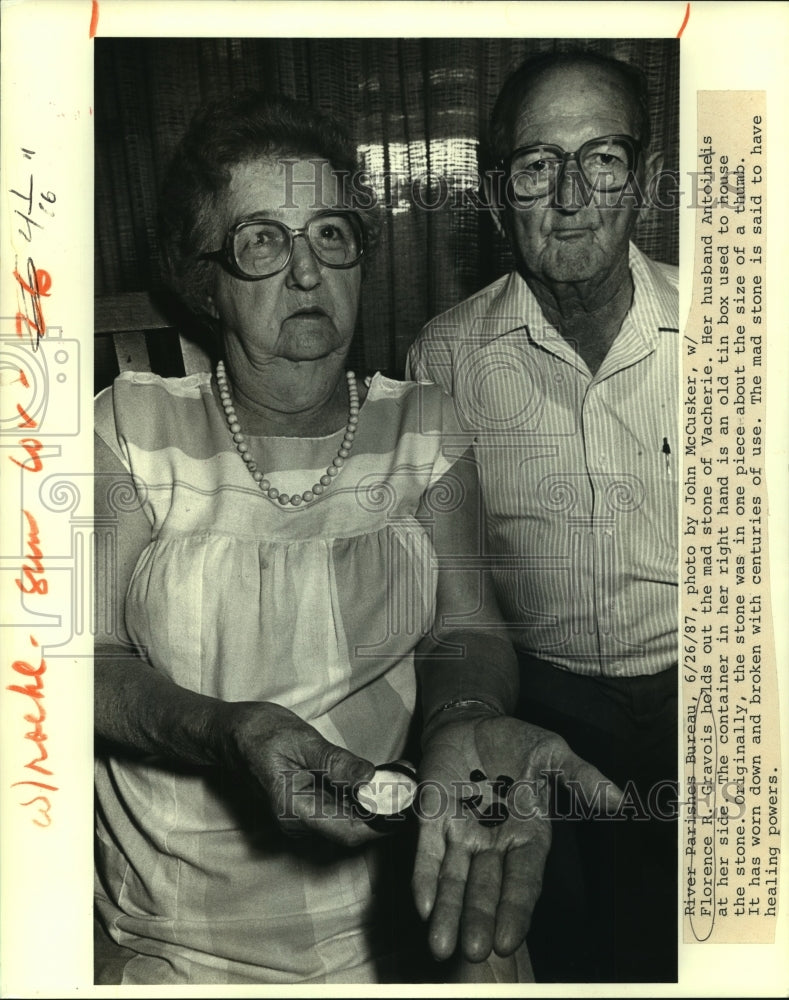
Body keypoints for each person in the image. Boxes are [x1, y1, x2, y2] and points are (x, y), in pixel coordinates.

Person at [92, 91, 620, 985]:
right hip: (181, 939)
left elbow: (468, 628)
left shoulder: (424, 421)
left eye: (331, 235)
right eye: (263, 240)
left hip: (413, 894)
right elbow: (78, 664)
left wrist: (464, 718)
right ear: (203, 277)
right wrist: (226, 733)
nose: (306, 275)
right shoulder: (127, 425)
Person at [407, 50, 679, 983]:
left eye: (600, 158)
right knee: (557, 948)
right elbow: (447, 596)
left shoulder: (740, 325)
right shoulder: (444, 356)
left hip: (716, 699)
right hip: (541, 706)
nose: (568, 195)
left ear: (641, 180)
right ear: (497, 197)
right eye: (535, 166)